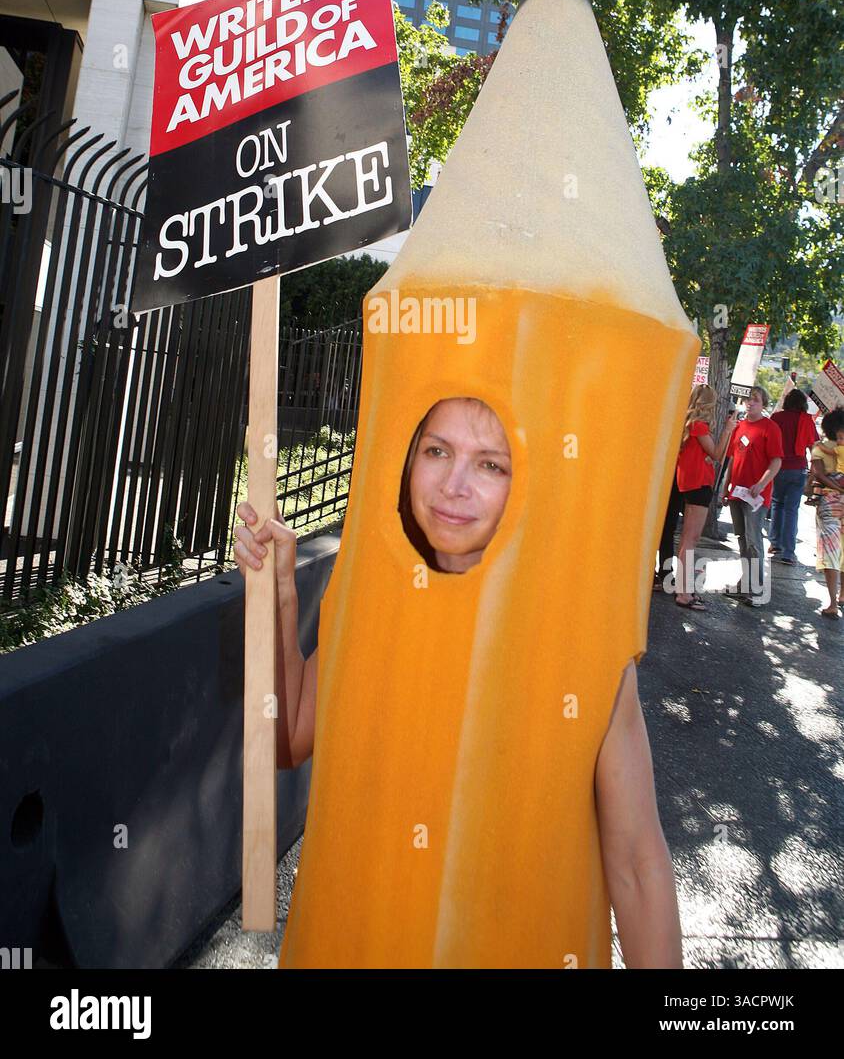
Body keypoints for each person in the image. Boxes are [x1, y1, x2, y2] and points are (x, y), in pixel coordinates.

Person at [234, 395, 685, 968]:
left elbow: (637, 864)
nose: (453, 484)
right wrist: (279, 593)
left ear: (526, 483)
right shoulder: (372, 604)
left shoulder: (583, 643)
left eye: (490, 464)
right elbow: (287, 738)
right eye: (437, 451)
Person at [672, 385, 737, 612]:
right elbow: (718, 454)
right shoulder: (699, 425)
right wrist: (728, 429)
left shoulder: (689, 425)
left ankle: (683, 589)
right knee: (691, 538)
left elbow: (705, 455)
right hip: (699, 484)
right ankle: (683, 592)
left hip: (690, 483)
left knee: (688, 539)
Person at [721, 385, 783, 605]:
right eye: (749, 399)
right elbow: (732, 460)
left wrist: (761, 483)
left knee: (753, 541)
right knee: (742, 540)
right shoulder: (740, 427)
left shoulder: (770, 428)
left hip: (755, 495)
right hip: (737, 492)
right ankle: (745, 583)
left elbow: (776, 460)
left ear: (763, 403)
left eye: (755, 399)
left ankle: (755, 587)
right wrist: (725, 488)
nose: (750, 402)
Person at [768, 389, 818, 565]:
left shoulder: (776, 418)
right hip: (798, 469)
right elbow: (814, 449)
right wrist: (814, 472)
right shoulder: (807, 421)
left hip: (777, 467)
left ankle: (775, 543)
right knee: (791, 510)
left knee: (777, 504)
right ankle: (789, 552)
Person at [808, 405, 844, 619]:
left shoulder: (820, 448)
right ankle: (842, 595)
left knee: (830, 550)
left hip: (829, 502)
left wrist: (836, 487)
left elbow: (818, 474)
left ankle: (832, 603)